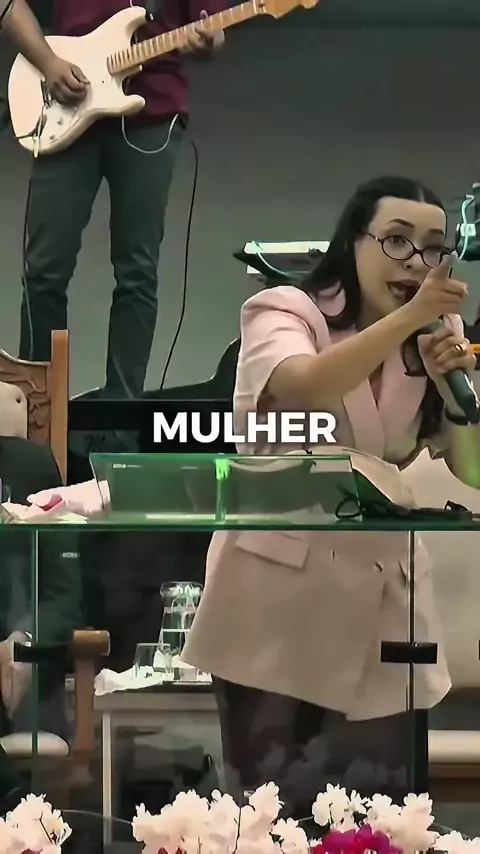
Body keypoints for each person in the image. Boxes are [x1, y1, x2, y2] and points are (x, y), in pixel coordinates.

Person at [183, 175, 480, 818]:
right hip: (275, 597)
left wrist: (456, 391)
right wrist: (409, 318)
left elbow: (474, 471)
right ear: (352, 242)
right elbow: (303, 388)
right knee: (270, 819)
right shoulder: (285, 310)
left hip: (382, 603)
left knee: (380, 820)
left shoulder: (434, 332)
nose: (416, 261)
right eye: (396, 240)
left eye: (433, 246)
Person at [3, 0, 225, 399]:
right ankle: (36, 410)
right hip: (66, 96)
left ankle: (121, 415)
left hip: (152, 110)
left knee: (137, 273)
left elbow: (212, 29)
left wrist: (209, 40)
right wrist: (47, 62)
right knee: (44, 273)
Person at [0, 434, 83, 811]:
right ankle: (22, 814)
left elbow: (65, 594)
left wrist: (26, 640)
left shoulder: (30, 467)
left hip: (19, 676)